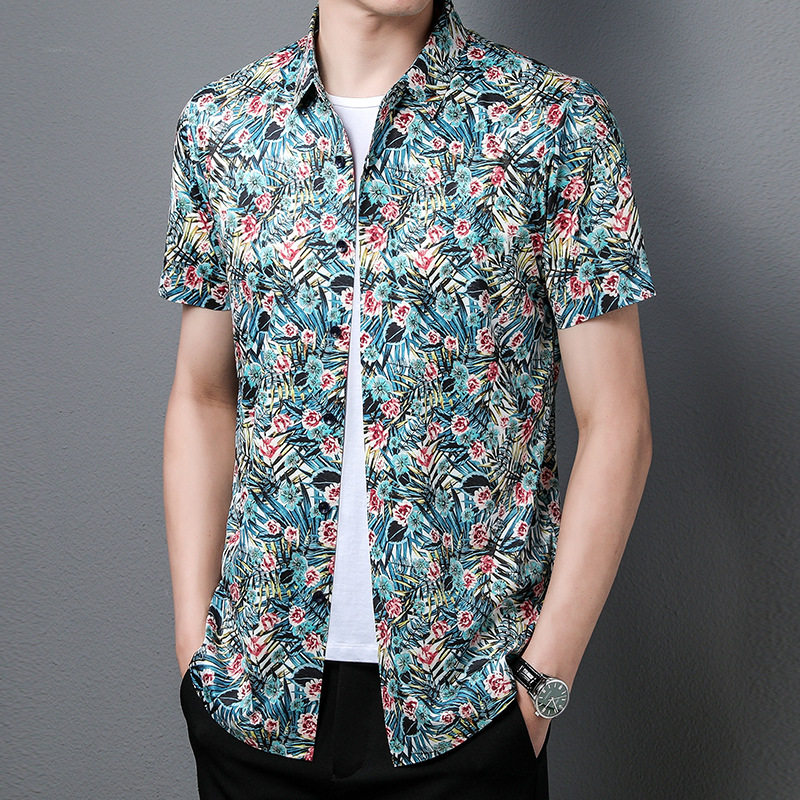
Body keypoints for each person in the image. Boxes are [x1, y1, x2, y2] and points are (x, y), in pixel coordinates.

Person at [158, 0, 657, 797]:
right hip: (254, 702)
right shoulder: (223, 128)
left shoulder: (556, 124)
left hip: (471, 713)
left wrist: (541, 687)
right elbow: (203, 395)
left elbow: (618, 422)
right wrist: (195, 650)